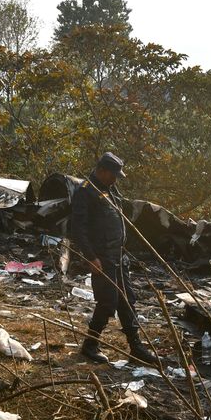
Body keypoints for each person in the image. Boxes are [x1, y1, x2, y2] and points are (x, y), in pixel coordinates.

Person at [71, 152, 158, 365]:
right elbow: (77, 229)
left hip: (118, 256)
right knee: (108, 302)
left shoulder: (109, 189)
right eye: (113, 174)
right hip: (102, 257)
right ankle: (90, 345)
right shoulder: (85, 192)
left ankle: (136, 347)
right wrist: (91, 257)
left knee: (127, 301)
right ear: (102, 170)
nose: (116, 179)